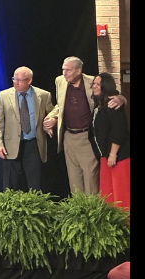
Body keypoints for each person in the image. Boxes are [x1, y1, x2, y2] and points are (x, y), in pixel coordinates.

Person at [42, 56, 126, 195]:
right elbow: (60, 104)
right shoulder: (60, 81)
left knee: (90, 177)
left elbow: (109, 95)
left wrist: (121, 99)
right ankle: (78, 212)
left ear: (78, 71)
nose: (64, 73)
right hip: (68, 136)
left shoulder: (92, 82)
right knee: (74, 178)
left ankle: (91, 211)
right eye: (63, 69)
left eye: (68, 70)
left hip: (86, 136)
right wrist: (53, 117)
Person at [0, 66, 54, 191]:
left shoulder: (43, 95)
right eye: (14, 79)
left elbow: (52, 112)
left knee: (34, 182)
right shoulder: (3, 96)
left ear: (29, 80)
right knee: (11, 183)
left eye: (20, 80)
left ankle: (35, 207)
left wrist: (52, 121)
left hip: (33, 144)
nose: (16, 82)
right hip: (10, 145)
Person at [90, 72, 130, 210]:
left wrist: (113, 154)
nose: (94, 86)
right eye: (93, 84)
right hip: (105, 157)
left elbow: (120, 130)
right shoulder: (99, 105)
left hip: (118, 157)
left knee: (121, 196)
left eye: (98, 84)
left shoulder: (112, 103)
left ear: (105, 86)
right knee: (107, 196)